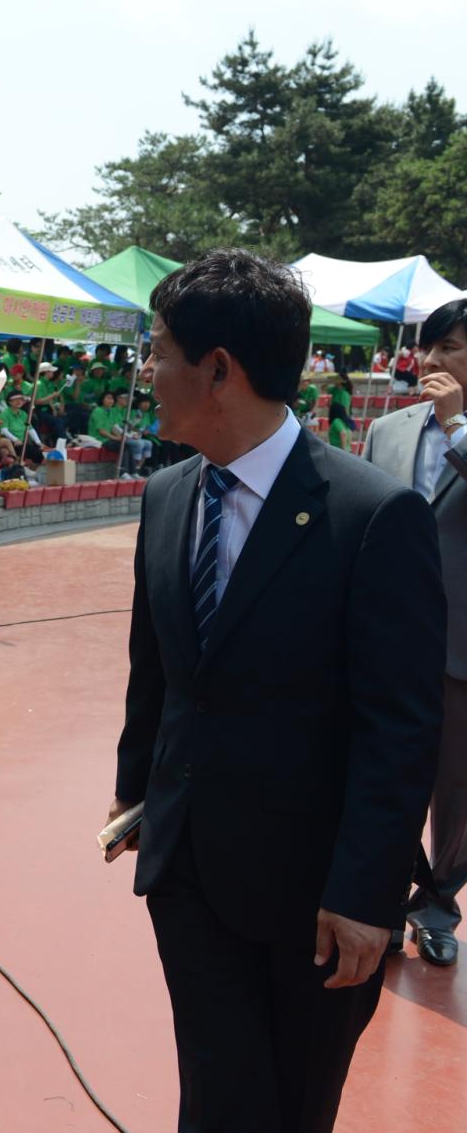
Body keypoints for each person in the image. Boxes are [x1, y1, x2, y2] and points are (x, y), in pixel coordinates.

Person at [108, 249, 444, 1133]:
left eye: (159, 350)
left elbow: (400, 726)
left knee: (292, 1110)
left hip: (315, 901)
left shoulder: (370, 514)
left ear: (219, 370)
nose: (147, 371)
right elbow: (159, 665)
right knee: (217, 1102)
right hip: (189, 876)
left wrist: (369, 891)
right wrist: (135, 788)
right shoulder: (168, 494)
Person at [363, 296, 467, 967]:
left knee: (456, 789)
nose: (431, 360)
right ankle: (386, 892)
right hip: (385, 639)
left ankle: (436, 903)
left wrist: (457, 425)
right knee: (380, 769)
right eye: (429, 347)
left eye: (451, 347)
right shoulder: (388, 431)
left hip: (461, 647)